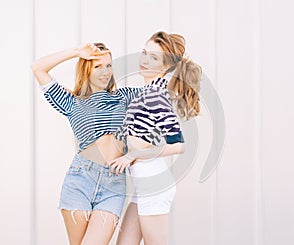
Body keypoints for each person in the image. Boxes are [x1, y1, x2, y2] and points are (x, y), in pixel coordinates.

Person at [31, 43, 142, 245]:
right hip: (80, 180)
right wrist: (76, 52)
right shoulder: (71, 101)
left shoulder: (124, 97)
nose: (105, 72)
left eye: (108, 66)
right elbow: (38, 67)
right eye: (98, 66)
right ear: (86, 68)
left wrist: (178, 65)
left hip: (113, 184)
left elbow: (162, 93)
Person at [109, 31, 202, 245]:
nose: (144, 61)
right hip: (144, 186)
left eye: (153, 58)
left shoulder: (156, 95)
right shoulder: (149, 90)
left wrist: (132, 155)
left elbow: (178, 145)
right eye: (144, 53)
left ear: (165, 66)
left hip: (153, 186)